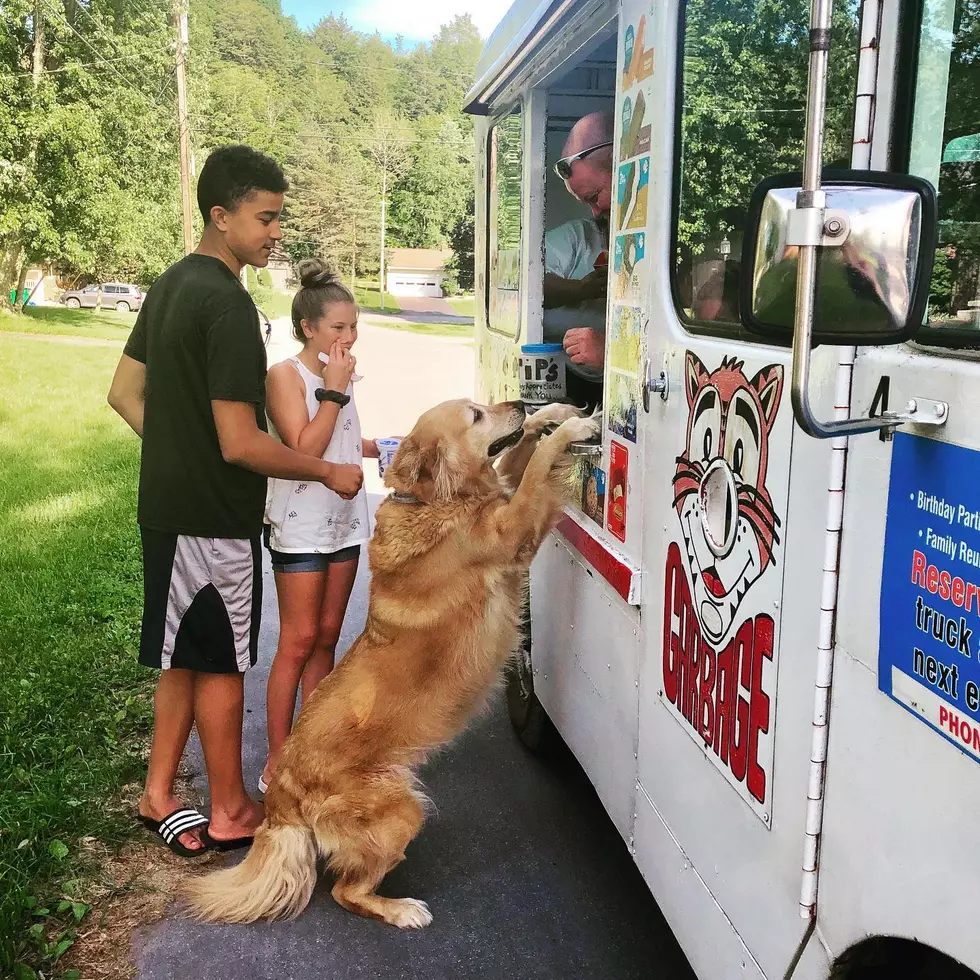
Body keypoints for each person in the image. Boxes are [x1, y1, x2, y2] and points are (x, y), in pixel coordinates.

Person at [107, 145, 363, 857]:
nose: (276, 231)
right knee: (220, 661)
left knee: (183, 658)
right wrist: (326, 473)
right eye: (266, 217)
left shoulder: (169, 284)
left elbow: (124, 395)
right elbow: (242, 444)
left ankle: (157, 795)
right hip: (214, 521)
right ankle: (229, 810)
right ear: (221, 217)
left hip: (168, 510)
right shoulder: (226, 303)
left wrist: (174, 456)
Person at [259, 259, 379, 794]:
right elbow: (304, 448)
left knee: (329, 636)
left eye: (354, 326)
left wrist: (381, 448)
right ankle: (278, 760)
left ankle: (316, 749)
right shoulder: (286, 376)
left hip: (344, 521)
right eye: (338, 327)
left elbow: (342, 440)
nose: (350, 337)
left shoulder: (342, 372)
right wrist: (332, 389)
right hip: (300, 523)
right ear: (309, 328)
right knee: (298, 638)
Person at [543, 111, 615, 413]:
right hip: (570, 378)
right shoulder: (575, 237)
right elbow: (530, 285)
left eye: (594, 196)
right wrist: (582, 290)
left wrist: (607, 351)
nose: (596, 212)